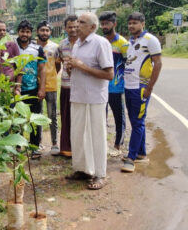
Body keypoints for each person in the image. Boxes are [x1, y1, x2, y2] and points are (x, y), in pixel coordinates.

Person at [65, 12, 113, 190]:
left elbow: (109, 74)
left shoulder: (100, 43)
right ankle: (82, 169)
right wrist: (70, 68)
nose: (77, 25)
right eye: (77, 21)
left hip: (94, 98)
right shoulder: (77, 44)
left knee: (96, 136)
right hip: (78, 96)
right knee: (78, 135)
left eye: (82, 22)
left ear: (92, 27)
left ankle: (100, 174)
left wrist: (81, 66)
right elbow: (76, 70)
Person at [121, 12, 162, 173]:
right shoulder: (131, 41)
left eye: (135, 23)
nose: (131, 26)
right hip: (128, 86)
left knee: (138, 122)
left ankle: (131, 158)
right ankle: (141, 153)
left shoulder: (150, 40)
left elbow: (158, 64)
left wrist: (150, 87)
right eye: (130, 23)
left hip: (141, 87)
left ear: (142, 23)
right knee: (135, 121)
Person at [15, 20, 46, 159]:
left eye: (27, 32)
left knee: (35, 119)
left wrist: (42, 88)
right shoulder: (11, 46)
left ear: (31, 33)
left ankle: (34, 147)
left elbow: (42, 69)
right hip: (16, 90)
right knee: (17, 119)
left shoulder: (37, 48)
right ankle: (17, 146)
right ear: (18, 32)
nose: (24, 34)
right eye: (22, 31)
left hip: (33, 89)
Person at [99, 11, 129, 150]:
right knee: (100, 117)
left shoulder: (122, 43)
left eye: (107, 23)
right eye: (102, 23)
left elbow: (128, 64)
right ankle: (102, 144)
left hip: (116, 87)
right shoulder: (100, 42)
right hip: (100, 87)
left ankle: (118, 144)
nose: (104, 26)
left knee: (119, 116)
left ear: (114, 24)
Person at [55, 15, 78, 157]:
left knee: (79, 118)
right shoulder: (62, 45)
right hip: (65, 85)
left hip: (81, 87)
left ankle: (78, 147)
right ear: (65, 28)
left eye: (76, 26)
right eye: (70, 27)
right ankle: (66, 147)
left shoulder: (84, 43)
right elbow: (57, 63)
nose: (73, 29)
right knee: (65, 117)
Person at [36, 21, 60, 155]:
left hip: (51, 86)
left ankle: (54, 143)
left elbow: (58, 66)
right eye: (42, 30)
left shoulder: (55, 47)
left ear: (50, 32)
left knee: (52, 115)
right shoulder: (33, 46)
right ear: (37, 32)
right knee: (38, 115)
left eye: (47, 30)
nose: (44, 33)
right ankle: (38, 142)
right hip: (36, 86)